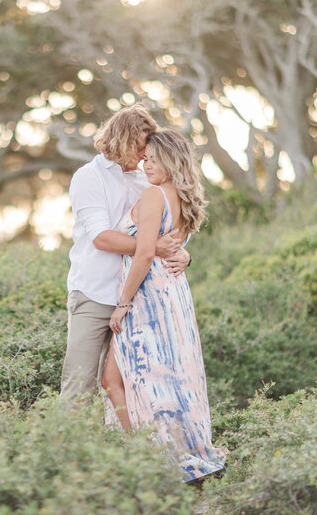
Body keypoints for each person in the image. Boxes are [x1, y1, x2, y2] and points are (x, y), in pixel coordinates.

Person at [102, 128, 226, 482]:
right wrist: (186, 256)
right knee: (168, 377)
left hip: (147, 296)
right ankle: (165, 453)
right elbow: (171, 245)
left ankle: (151, 460)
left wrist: (123, 303)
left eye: (155, 160)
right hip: (173, 295)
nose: (147, 165)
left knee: (125, 378)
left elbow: (143, 254)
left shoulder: (155, 195)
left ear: (173, 162)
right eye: (146, 159)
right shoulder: (182, 199)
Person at [61, 104, 191, 403]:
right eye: (141, 147)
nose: (146, 155)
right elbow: (101, 238)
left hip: (139, 297)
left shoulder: (147, 177)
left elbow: (167, 228)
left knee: (133, 383)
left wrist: (184, 254)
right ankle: (66, 448)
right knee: (78, 384)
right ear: (123, 140)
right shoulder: (89, 177)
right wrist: (152, 248)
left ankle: (126, 447)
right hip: (95, 293)